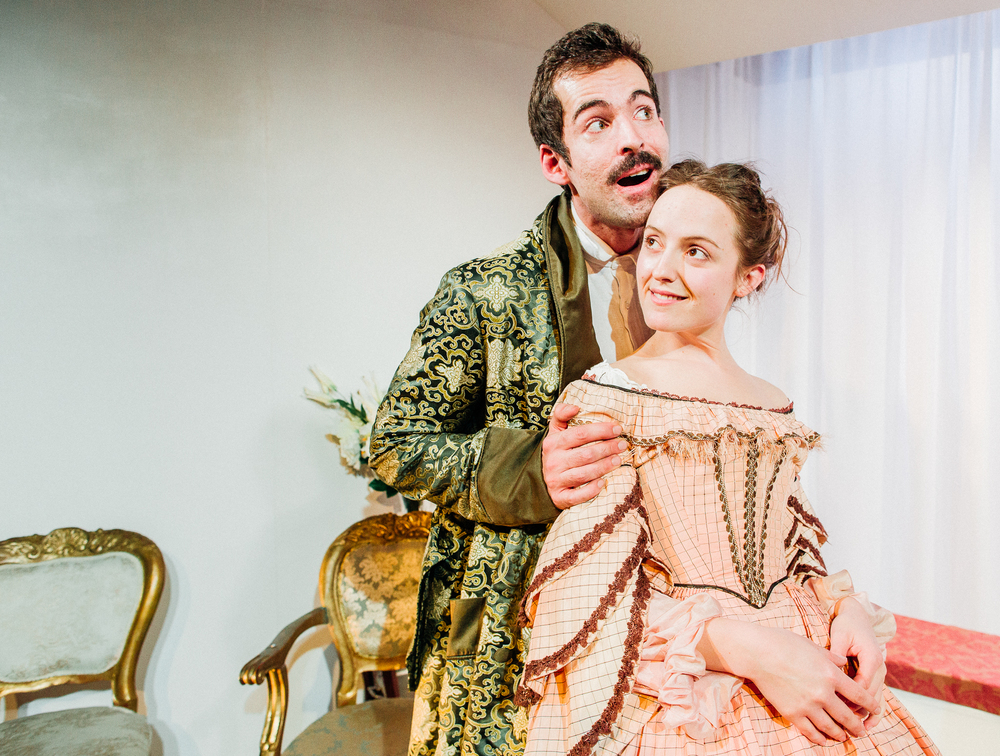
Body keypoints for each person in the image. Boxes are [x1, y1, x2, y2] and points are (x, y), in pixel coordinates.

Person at [518, 160, 940, 756]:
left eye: (696, 252)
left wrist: (846, 614)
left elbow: (793, 553)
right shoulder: (611, 397)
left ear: (749, 277)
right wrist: (750, 650)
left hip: (807, 671)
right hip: (685, 691)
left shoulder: (772, 406)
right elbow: (589, 599)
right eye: (656, 242)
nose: (660, 270)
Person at [368, 23, 670, 756]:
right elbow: (395, 446)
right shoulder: (484, 290)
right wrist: (532, 467)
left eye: (644, 109)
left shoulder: (691, 276)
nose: (634, 136)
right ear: (555, 163)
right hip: (512, 638)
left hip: (659, 631)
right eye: (598, 122)